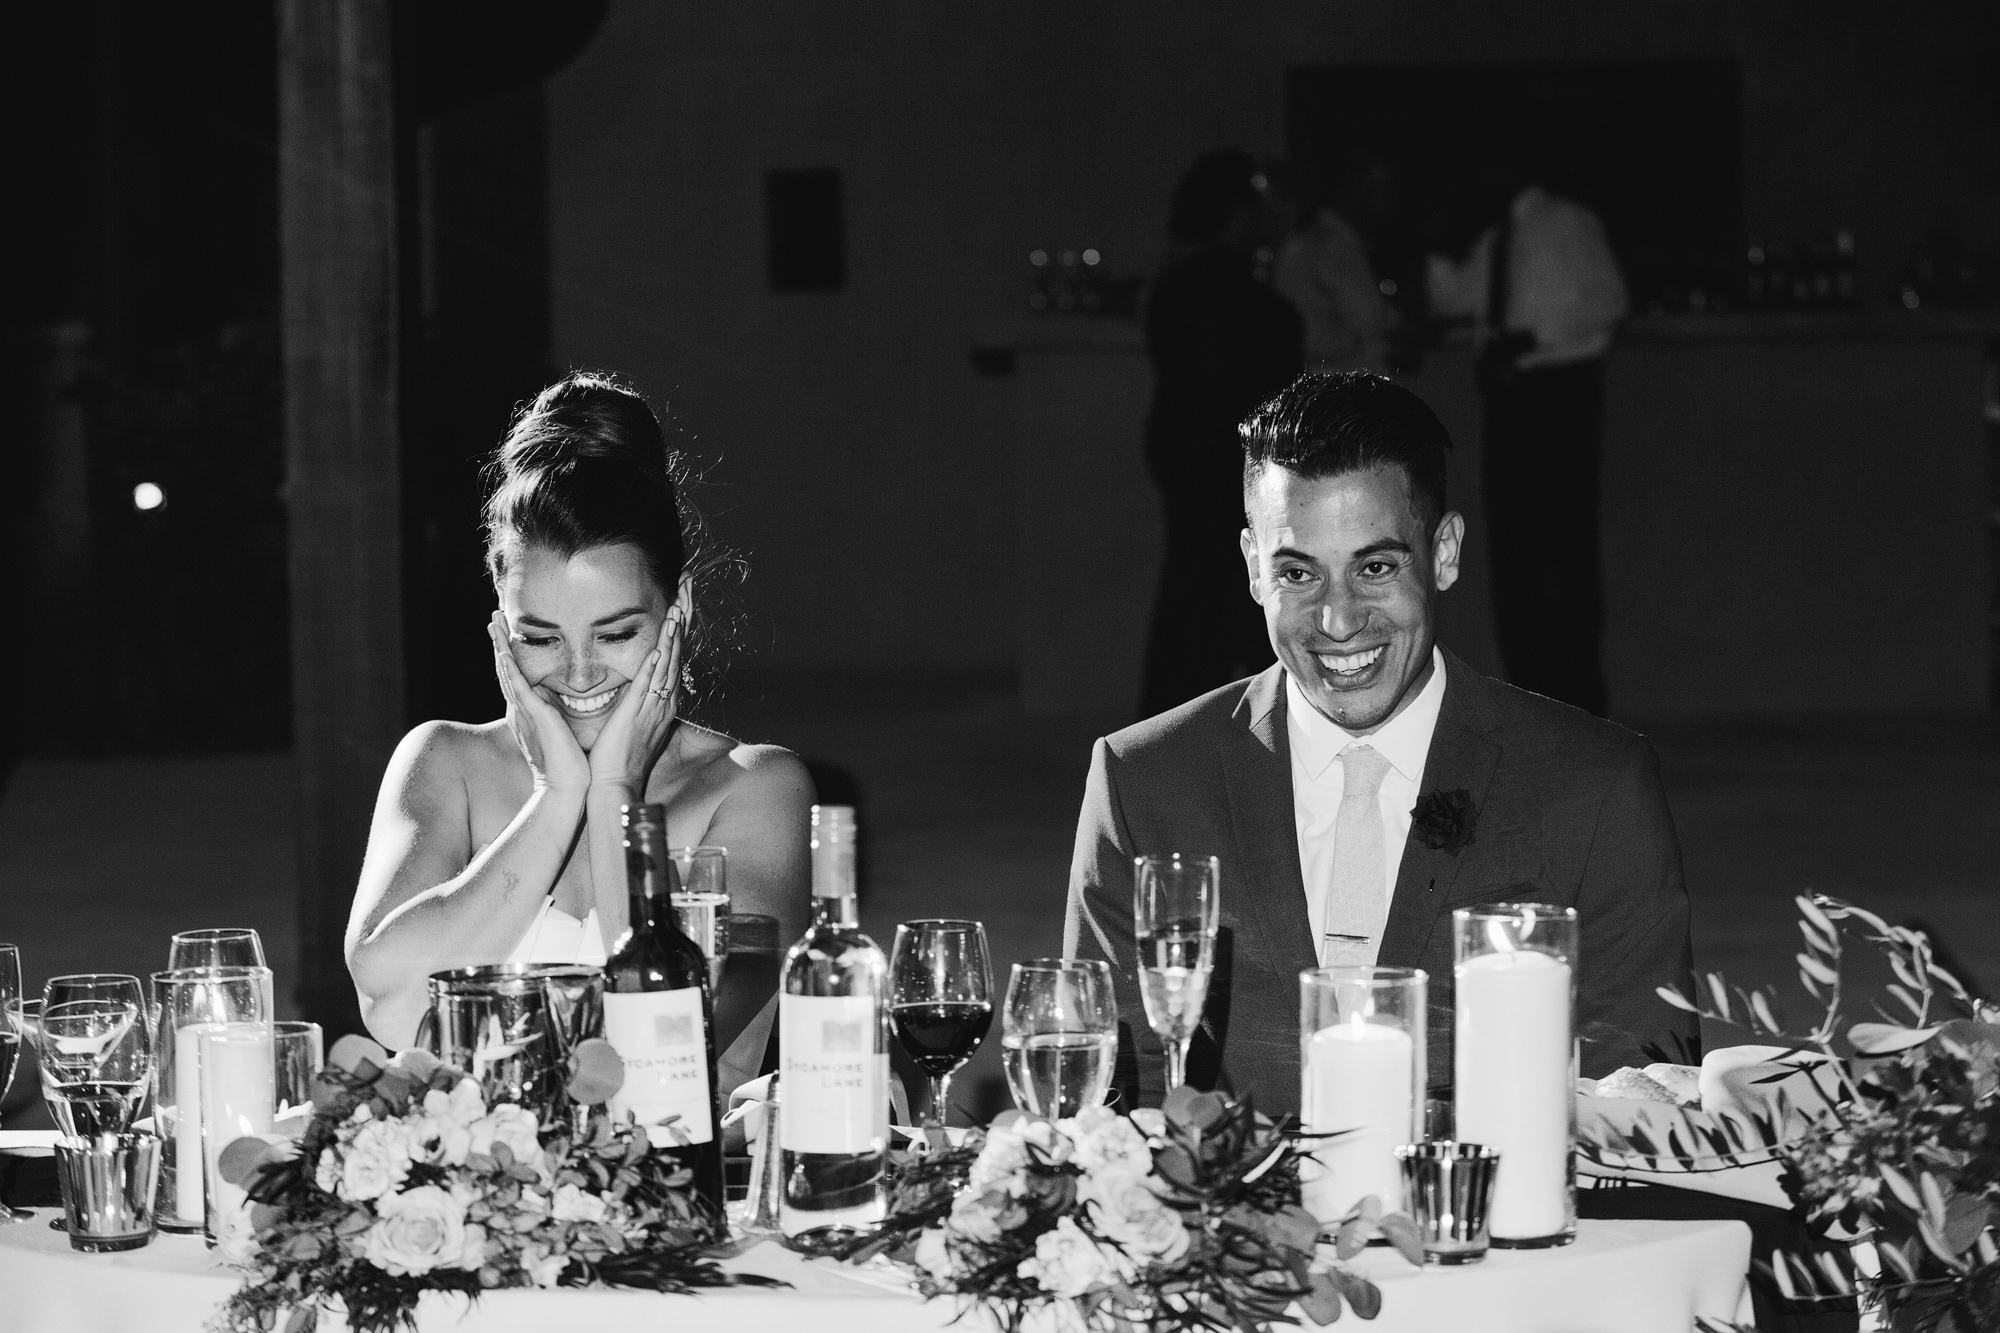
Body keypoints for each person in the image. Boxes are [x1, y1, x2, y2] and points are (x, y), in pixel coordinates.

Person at [1065, 370, 1695, 1112]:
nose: (1338, 619)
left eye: (1376, 566)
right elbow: (1103, 1093)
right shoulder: (1143, 781)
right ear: (1252, 569)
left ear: (1446, 552)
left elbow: (1649, 1100)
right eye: (1298, 572)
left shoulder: (1596, 785)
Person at [346, 372, 813, 1092]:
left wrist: (612, 795)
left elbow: (674, 1040)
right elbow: (387, 1003)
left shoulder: (756, 788)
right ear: (501, 623)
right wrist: (555, 795)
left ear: (678, 608)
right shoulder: (445, 760)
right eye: (541, 637)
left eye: (616, 632)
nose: (581, 674)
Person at [1426, 167, 1627, 716]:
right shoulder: (1496, 240)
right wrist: (1440, 245)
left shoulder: (1568, 222)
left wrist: (1530, 343)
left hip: (1559, 399)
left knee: (1565, 552)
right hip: (1512, 404)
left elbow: (1608, 301)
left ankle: (1581, 701)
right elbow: (1454, 300)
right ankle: (1532, 698)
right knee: (1515, 556)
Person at [1137, 149, 1304, 720]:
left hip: (1185, 450)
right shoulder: (1236, 290)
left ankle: (1179, 720)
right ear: (1236, 213)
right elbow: (1270, 357)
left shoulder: (1175, 283)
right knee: (1227, 592)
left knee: (1192, 589)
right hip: (1226, 457)